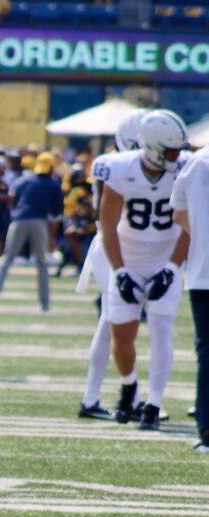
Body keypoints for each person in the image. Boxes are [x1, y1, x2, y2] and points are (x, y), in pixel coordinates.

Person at [100, 110, 190, 431]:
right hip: (129, 258)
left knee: (162, 326)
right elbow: (107, 225)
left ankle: (153, 403)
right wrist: (120, 270)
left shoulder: (185, 168)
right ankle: (129, 386)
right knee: (121, 332)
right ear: (151, 147)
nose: (176, 156)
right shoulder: (120, 168)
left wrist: (171, 267)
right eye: (169, 150)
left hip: (166, 257)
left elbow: (189, 227)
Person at [76, 110, 149, 420]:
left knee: (115, 325)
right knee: (111, 322)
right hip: (112, 246)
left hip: (122, 247)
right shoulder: (116, 166)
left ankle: (130, 396)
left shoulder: (119, 163)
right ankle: (100, 398)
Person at [0, 152, 63, 311]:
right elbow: (56, 211)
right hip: (39, 221)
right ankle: (45, 302)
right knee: (41, 262)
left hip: (18, 220)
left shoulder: (23, 180)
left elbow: (12, 198)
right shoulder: (53, 184)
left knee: (6, 259)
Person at [169, 142, 209, 451]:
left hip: (203, 270)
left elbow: (179, 215)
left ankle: (207, 429)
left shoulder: (198, 161)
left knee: (207, 352)